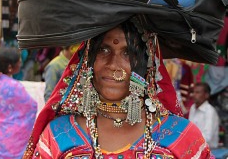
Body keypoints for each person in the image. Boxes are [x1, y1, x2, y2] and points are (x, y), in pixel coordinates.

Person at [22, 17, 212, 158]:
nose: (113, 65)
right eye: (103, 50)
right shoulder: (56, 136)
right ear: (88, 61)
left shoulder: (183, 137)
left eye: (128, 53)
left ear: (148, 66)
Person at [0, 48, 37, 159]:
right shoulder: (14, 86)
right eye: (18, 61)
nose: (20, 63)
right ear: (10, 67)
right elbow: (31, 106)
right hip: (12, 139)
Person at [189, 82, 220, 149]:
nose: (194, 95)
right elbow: (189, 130)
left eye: (197, 92)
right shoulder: (193, 108)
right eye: (193, 92)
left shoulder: (210, 111)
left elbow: (207, 137)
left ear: (206, 95)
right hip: (194, 148)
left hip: (209, 151)